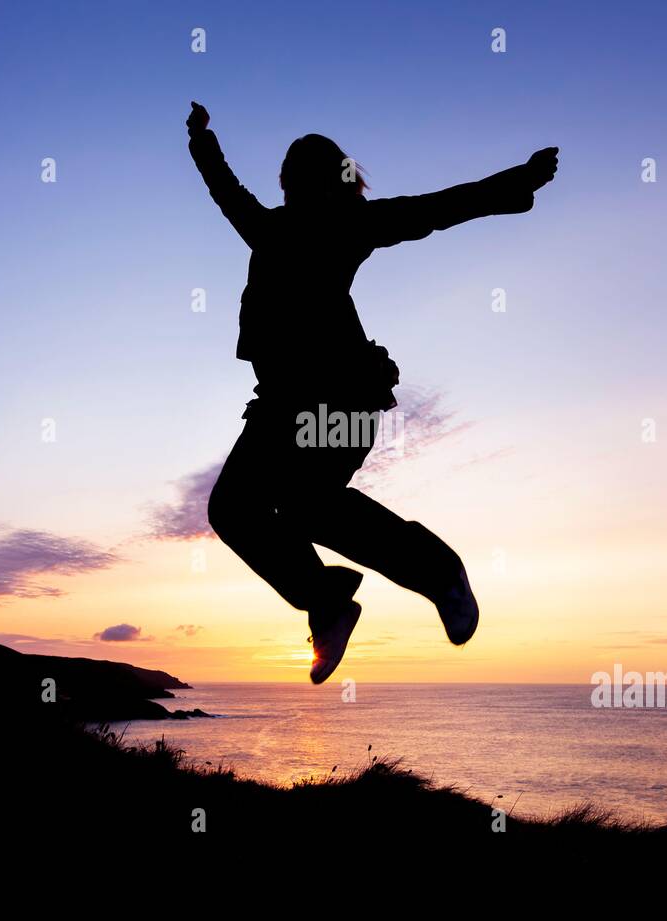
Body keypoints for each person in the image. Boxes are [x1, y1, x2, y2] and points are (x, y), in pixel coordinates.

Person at [187, 101, 558, 684]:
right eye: (290, 177)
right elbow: (223, 188)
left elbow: (438, 208)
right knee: (233, 508)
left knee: (305, 502)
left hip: (344, 397)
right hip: (282, 405)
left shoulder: (347, 226)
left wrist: (517, 184)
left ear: (327, 181)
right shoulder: (268, 228)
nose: (292, 186)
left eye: (304, 176)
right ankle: (327, 599)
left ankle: (436, 574)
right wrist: (202, 142)